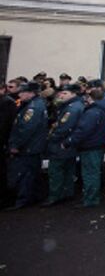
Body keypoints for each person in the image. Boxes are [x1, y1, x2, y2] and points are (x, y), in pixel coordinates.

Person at [62, 80, 105, 207]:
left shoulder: (92, 112)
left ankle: (90, 199)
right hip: (97, 145)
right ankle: (91, 197)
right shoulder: (102, 109)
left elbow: (83, 130)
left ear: (90, 98)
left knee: (90, 174)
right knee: (93, 173)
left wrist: (69, 142)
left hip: (90, 146)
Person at [5, 82, 47, 210]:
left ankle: (24, 200)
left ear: (31, 93)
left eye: (23, 92)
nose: (19, 94)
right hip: (32, 146)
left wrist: (16, 145)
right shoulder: (32, 104)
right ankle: (33, 197)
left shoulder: (33, 108)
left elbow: (26, 129)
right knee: (31, 173)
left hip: (29, 147)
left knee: (25, 175)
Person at [42, 84, 84, 207]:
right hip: (68, 144)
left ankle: (55, 196)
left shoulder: (72, 108)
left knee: (56, 171)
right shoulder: (73, 105)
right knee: (67, 170)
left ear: (73, 94)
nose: (61, 95)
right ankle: (66, 193)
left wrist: (52, 137)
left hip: (62, 144)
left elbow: (64, 127)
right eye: (61, 93)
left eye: (65, 93)